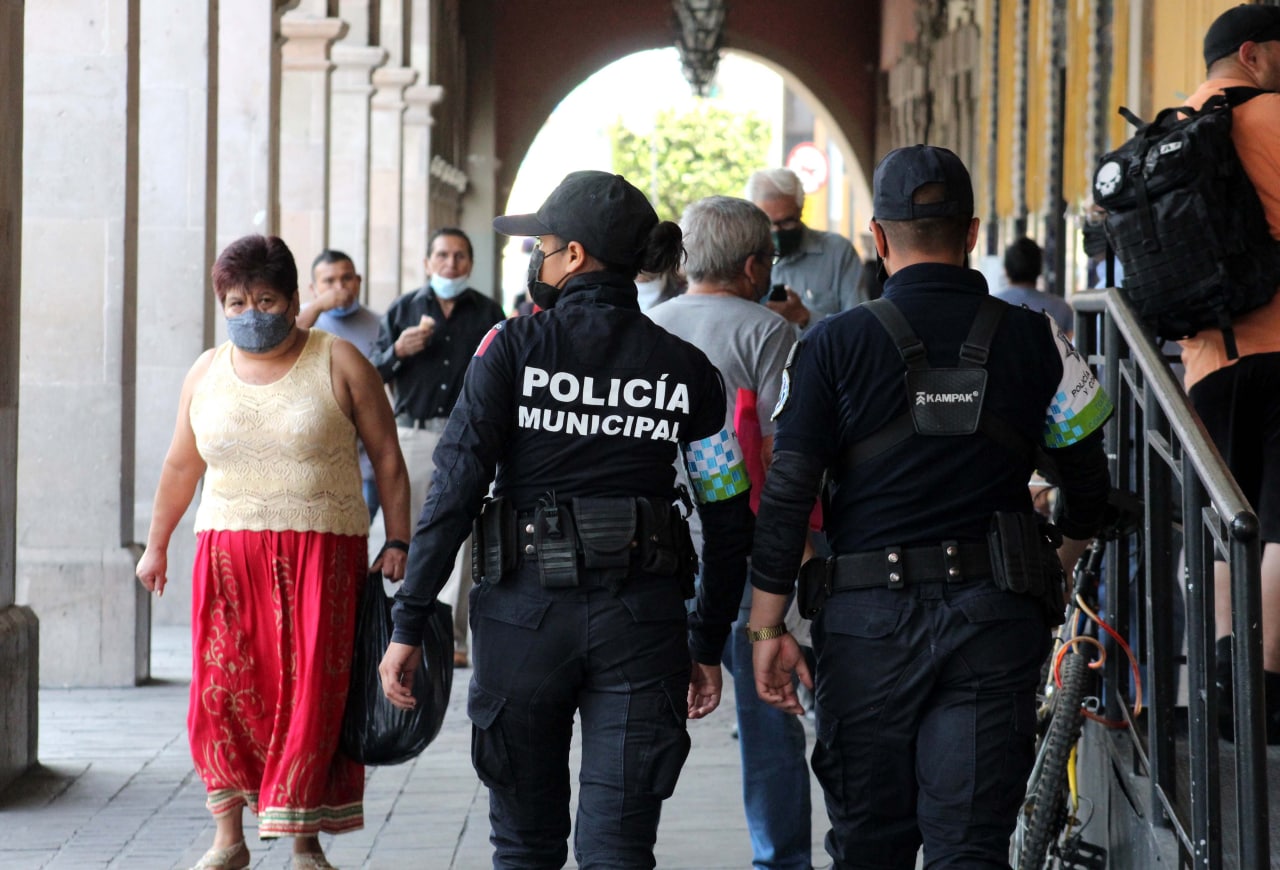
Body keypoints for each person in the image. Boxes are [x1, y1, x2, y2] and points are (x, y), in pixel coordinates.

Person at [746, 146, 1113, 867]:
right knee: (970, 847)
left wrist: (767, 628)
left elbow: (788, 493)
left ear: (878, 240)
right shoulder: (1044, 340)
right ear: (973, 233)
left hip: (866, 629)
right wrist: (1060, 558)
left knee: (870, 844)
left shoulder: (827, 345)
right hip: (994, 618)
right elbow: (1089, 486)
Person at [377, 170, 754, 868]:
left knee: (524, 845)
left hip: (523, 622)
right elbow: (729, 515)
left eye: (543, 244)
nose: (537, 258)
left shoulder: (509, 349)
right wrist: (705, 643)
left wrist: (410, 621)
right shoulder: (688, 370)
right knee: (618, 850)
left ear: (574, 255)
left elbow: (454, 491)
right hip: (643, 625)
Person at [134, 234, 412, 870]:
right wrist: (157, 545)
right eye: (235, 302)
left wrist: (397, 539)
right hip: (228, 557)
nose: (249, 313)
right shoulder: (205, 371)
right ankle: (228, 838)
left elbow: (388, 458)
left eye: (263, 299)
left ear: (293, 301)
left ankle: (304, 839)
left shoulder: (339, 360)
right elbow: (181, 466)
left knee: (310, 690)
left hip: (324, 556)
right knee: (223, 688)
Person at [647, 196, 808, 870]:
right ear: (753, 266)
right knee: (770, 710)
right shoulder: (771, 334)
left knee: (641, 719)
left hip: (659, 549)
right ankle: (781, 859)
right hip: (748, 552)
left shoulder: (647, 325)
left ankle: (625, 848)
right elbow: (785, 456)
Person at [1187, 2, 1280, 742]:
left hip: (1206, 365)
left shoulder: (1167, 130)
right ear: (1252, 53)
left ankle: (1222, 677)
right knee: (1279, 526)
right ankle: (1269, 690)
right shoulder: (1275, 118)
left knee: (1229, 523)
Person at [369, 228, 504, 668]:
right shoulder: (404, 309)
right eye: (442, 255)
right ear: (428, 262)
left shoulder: (487, 311)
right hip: (412, 434)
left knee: (460, 538)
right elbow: (371, 374)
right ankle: (391, 629)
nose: (451, 264)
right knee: (397, 532)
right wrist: (398, 351)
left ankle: (451, 638)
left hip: (466, 437)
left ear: (470, 263)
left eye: (460, 256)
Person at [299, 249, 385, 520]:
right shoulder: (303, 319)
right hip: (314, 453)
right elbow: (279, 345)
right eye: (329, 281)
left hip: (364, 459)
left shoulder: (379, 324)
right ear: (313, 288)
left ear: (358, 281)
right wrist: (318, 306)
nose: (340, 287)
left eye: (346, 278)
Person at [746, 167, 864, 329]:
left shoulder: (837, 253)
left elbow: (861, 327)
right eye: (769, 223)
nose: (776, 231)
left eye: (787, 222)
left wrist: (805, 316)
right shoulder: (743, 258)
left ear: (800, 211)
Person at [994, 236, 1075, 336]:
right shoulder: (1062, 308)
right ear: (1040, 269)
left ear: (1006, 270)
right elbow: (1071, 346)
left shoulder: (990, 307)